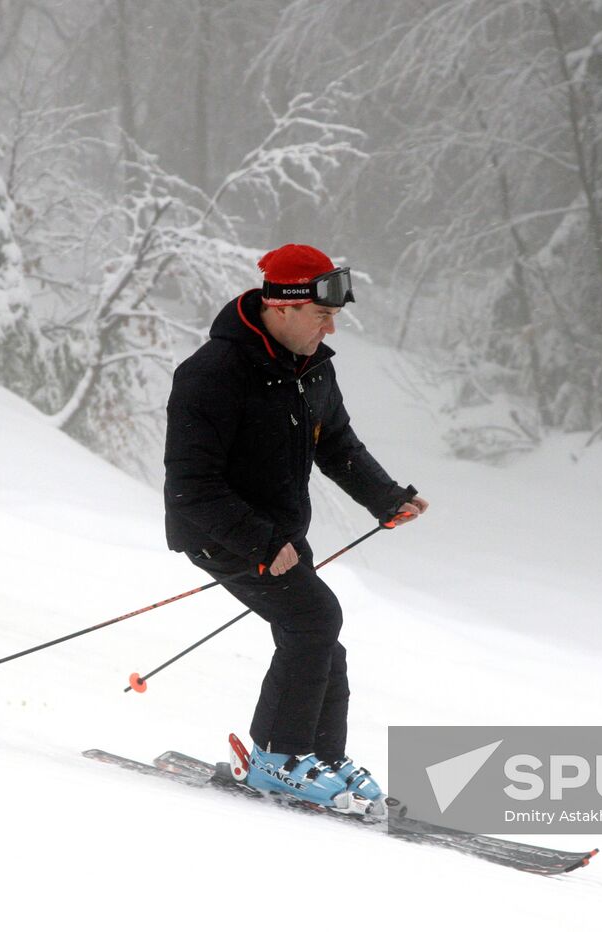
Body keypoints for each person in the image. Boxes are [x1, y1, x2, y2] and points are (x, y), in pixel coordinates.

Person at [163, 243, 428, 816]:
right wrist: (260, 541)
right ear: (280, 308)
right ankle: (278, 758)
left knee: (320, 633)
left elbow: (336, 443)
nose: (331, 328)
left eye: (334, 317)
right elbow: (190, 486)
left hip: (279, 536)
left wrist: (385, 498)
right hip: (221, 532)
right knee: (313, 620)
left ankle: (319, 759)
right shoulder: (212, 374)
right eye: (322, 315)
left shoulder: (312, 368)